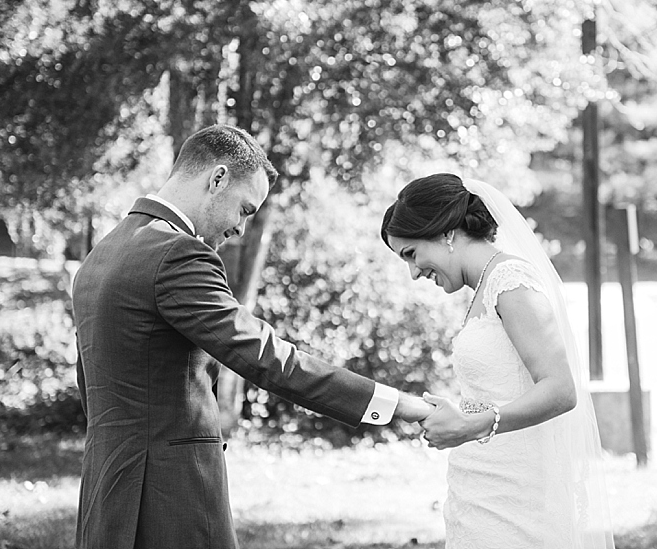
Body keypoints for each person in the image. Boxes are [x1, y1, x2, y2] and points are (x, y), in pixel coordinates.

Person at [72, 124, 431, 548]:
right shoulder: (176, 254)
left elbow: (91, 381)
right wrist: (395, 404)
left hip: (107, 487)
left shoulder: (104, 253)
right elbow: (266, 357)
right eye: (244, 209)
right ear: (217, 178)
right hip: (171, 493)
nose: (241, 230)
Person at [381, 173, 614, 549]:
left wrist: (471, 426)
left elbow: (560, 389)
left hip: (517, 495)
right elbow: (500, 390)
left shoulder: (511, 281)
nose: (413, 273)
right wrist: (459, 415)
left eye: (411, 254)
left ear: (445, 233)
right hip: (479, 487)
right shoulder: (484, 288)